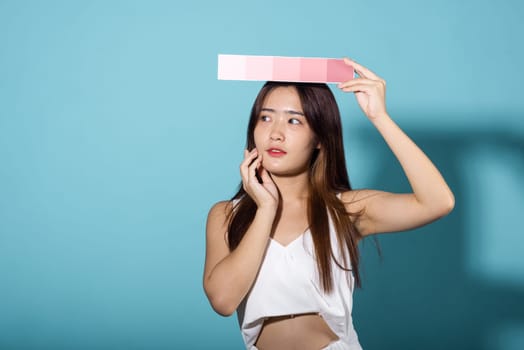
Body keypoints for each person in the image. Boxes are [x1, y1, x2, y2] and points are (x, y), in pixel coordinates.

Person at [203, 58, 455, 350]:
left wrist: (380, 118)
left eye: (294, 120)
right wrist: (266, 209)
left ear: (320, 138)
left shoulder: (345, 209)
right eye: (266, 117)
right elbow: (223, 300)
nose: (276, 132)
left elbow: (438, 202)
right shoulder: (225, 215)